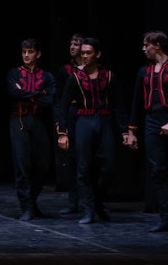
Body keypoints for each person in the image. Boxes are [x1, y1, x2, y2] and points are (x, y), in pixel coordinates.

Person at [55, 36, 128, 224]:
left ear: (98, 54)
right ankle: (88, 209)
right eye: (83, 53)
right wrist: (62, 132)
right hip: (84, 121)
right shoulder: (75, 78)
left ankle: (97, 201)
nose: (85, 56)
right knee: (84, 167)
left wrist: (125, 130)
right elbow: (63, 106)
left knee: (109, 166)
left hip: (104, 121)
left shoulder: (109, 76)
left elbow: (119, 105)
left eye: (88, 53)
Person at [124, 31, 168, 232]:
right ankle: (166, 217)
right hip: (152, 120)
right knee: (158, 169)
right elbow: (137, 101)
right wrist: (131, 131)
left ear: (157, 45)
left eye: (147, 45)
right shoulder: (144, 71)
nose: (144, 49)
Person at [6, 38, 56, 221]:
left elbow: (50, 100)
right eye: (24, 52)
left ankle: (32, 201)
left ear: (38, 54)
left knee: (42, 165)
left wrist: (26, 95)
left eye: (30, 52)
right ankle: (26, 206)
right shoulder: (14, 74)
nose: (26, 55)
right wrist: (38, 94)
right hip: (19, 120)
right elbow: (14, 93)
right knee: (22, 164)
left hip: (38, 121)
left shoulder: (47, 77)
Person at [54, 33, 84, 215]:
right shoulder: (65, 70)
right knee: (71, 159)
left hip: (88, 113)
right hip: (71, 113)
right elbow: (58, 99)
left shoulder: (92, 70)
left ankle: (92, 200)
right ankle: (73, 202)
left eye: (76, 44)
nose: (72, 47)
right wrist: (60, 122)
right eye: (71, 44)